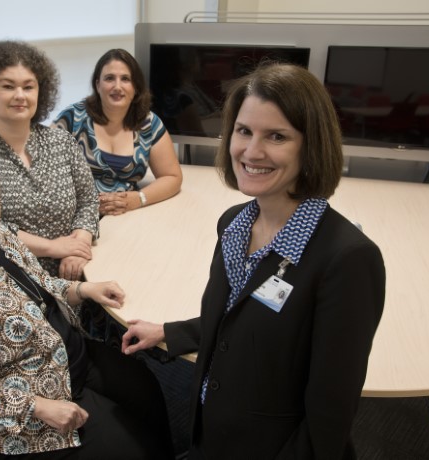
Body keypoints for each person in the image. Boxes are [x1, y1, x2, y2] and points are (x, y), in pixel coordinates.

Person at [121, 63, 386, 459]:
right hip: (211, 429)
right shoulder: (234, 224)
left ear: (311, 145)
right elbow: (242, 316)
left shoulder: (346, 259)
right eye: (244, 131)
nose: (251, 151)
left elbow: (330, 416)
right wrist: (171, 332)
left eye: (276, 136)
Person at [0, 143, 174, 459]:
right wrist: (35, 406)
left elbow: (40, 287)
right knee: (133, 449)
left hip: (68, 357)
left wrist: (82, 290)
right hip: (29, 403)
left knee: (146, 389)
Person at [0, 40, 98, 281]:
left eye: (29, 87)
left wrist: (79, 245)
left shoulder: (61, 141)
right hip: (8, 281)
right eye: (8, 86)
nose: (20, 96)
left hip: (75, 272)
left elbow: (88, 199)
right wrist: (53, 248)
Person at [53, 48, 182, 216]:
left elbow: (172, 177)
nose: (117, 86)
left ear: (135, 87)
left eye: (125, 79)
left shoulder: (148, 123)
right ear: (97, 84)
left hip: (126, 215)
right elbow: (41, 172)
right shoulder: (72, 118)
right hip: (74, 217)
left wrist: (138, 198)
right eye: (109, 78)